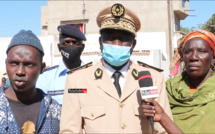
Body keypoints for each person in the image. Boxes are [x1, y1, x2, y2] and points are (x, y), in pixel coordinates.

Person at [60, 3, 172, 133]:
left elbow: (163, 130)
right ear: (100, 43)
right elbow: (69, 130)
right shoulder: (77, 81)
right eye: (110, 38)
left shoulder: (152, 78)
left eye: (124, 39)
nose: (117, 44)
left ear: (133, 45)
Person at [0, 30, 61, 133]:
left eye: (28, 64)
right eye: (14, 63)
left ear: (42, 68)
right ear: (6, 64)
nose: (20, 71)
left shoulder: (54, 110)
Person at [168, 30, 215, 133]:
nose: (194, 57)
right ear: (183, 57)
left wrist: (163, 118)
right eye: (188, 51)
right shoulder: (169, 90)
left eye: (202, 51)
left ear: (213, 59)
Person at [36, 25, 86, 104]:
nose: (71, 46)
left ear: (82, 47)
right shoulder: (46, 78)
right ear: (59, 47)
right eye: (66, 43)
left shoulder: (92, 75)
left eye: (75, 43)